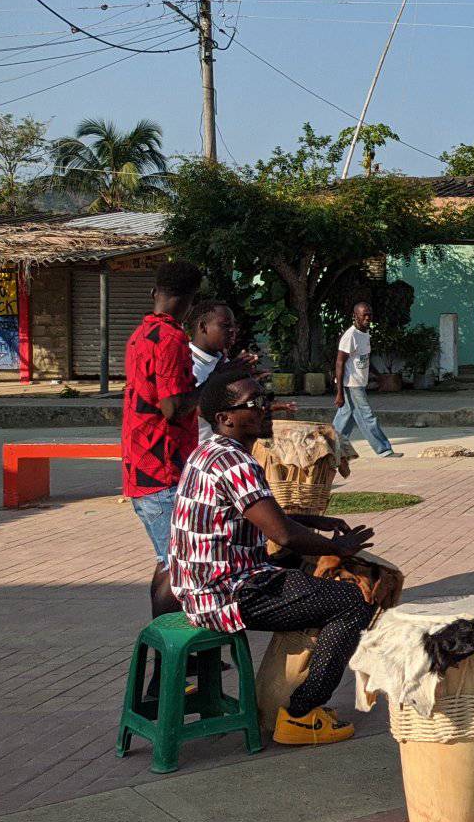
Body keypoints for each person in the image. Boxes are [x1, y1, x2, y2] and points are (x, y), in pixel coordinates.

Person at [169, 359, 379, 744]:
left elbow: (259, 512)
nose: (264, 407)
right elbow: (282, 534)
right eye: (253, 403)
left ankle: (285, 695)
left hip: (207, 585)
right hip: (226, 594)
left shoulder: (210, 451)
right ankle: (300, 713)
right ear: (225, 417)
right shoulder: (236, 461)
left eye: (264, 399)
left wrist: (316, 522)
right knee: (353, 601)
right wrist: (339, 547)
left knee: (305, 570)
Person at [122, 260, 207, 616]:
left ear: (155, 293)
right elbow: (172, 407)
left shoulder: (142, 332)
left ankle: (171, 654)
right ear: (190, 301)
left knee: (168, 561)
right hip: (162, 468)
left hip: (143, 465)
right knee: (178, 566)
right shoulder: (171, 338)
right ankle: (169, 658)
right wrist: (213, 385)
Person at [332, 302, 399, 459]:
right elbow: (339, 363)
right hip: (351, 384)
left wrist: (378, 375)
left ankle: (331, 447)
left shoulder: (365, 334)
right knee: (367, 417)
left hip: (359, 383)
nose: (368, 317)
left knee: (344, 420)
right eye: (364, 315)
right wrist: (339, 392)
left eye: (370, 314)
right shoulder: (350, 336)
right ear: (355, 316)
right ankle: (384, 449)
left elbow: (365, 359)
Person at [188, 300, 238, 447]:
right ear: (203, 327)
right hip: (200, 452)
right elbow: (200, 410)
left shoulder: (222, 360)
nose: (232, 330)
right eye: (225, 325)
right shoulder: (190, 364)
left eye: (234, 326)